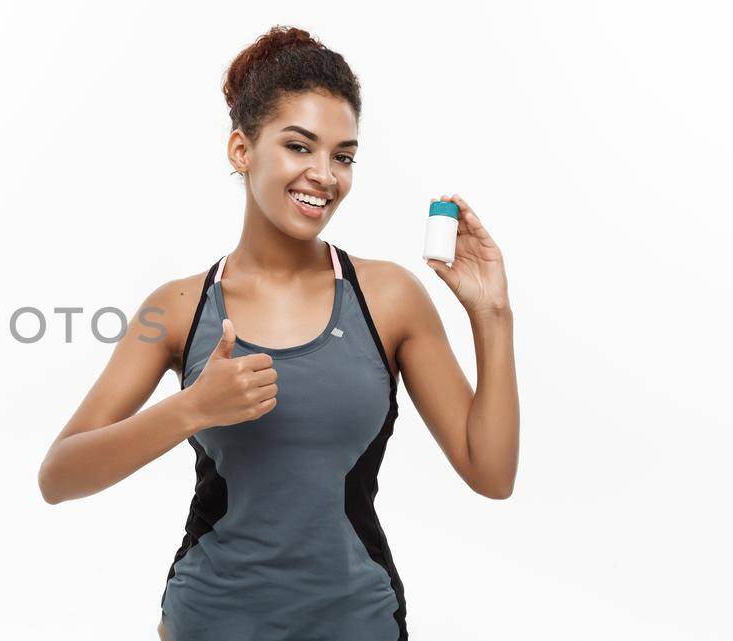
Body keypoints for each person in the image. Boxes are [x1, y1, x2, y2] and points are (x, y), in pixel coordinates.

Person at [34, 25, 520, 641]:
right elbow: (59, 476)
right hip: (210, 623)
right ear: (242, 150)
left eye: (343, 155)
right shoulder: (178, 308)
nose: (325, 174)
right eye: (299, 146)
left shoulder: (389, 297)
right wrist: (192, 408)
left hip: (358, 623)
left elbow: (491, 473)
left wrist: (492, 314)